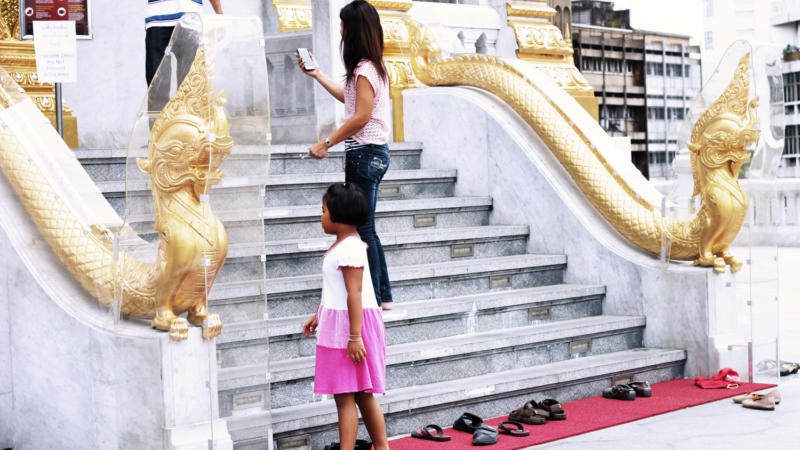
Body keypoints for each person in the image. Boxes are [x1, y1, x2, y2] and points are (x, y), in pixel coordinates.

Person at [297, 0, 394, 310]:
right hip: (373, 154)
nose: (340, 30)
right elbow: (349, 100)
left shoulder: (365, 68)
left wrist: (327, 141)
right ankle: (384, 296)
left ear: (353, 30)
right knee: (367, 226)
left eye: (343, 25)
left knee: (362, 228)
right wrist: (318, 74)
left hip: (365, 154)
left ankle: (374, 300)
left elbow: (360, 116)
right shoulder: (371, 66)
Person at [303, 183, 389, 450]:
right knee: (362, 395)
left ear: (338, 216)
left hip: (350, 329)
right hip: (341, 324)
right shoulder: (344, 245)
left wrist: (354, 337)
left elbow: (355, 293)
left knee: (347, 397)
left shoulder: (349, 248)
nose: (321, 216)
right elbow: (337, 290)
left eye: (324, 211)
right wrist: (320, 314)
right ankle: (381, 447)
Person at [145, 0, 223, 86]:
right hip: (157, 19)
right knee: (155, 84)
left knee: (191, 83)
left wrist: (219, 13)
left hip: (191, 18)